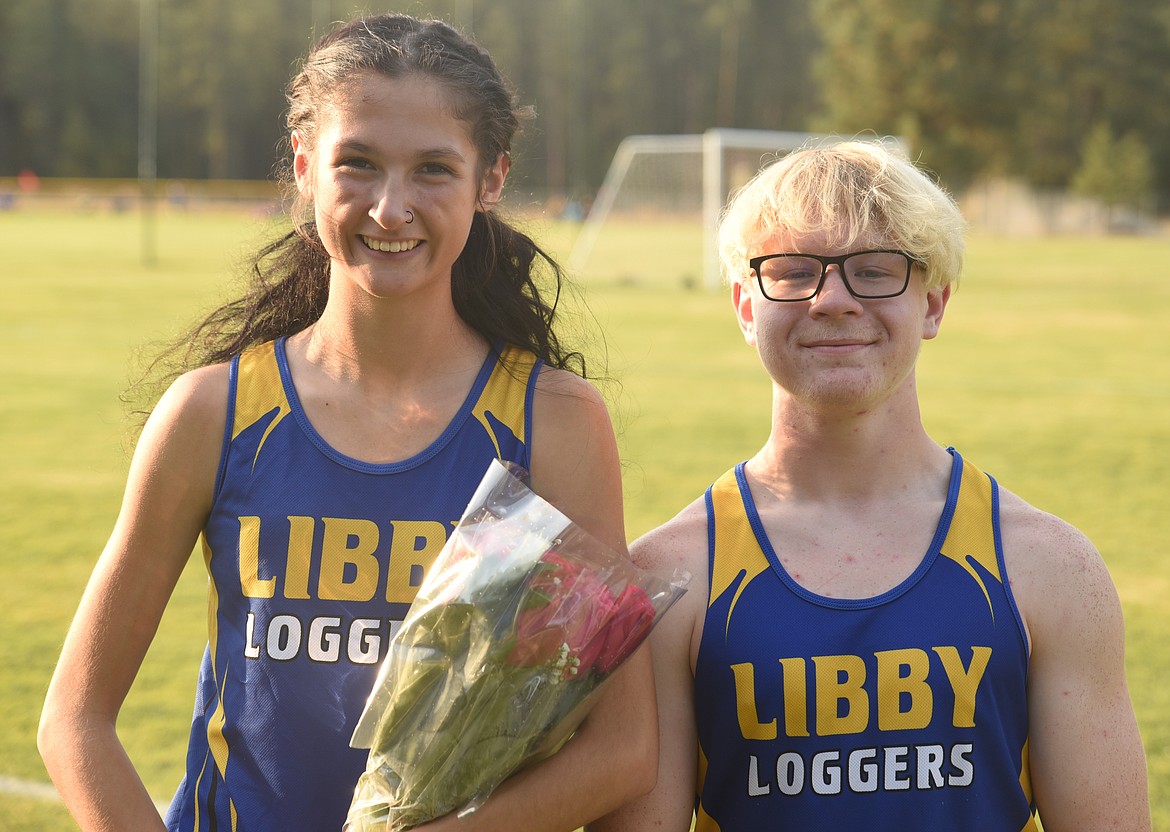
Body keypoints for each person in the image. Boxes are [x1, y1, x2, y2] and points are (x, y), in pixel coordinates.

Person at [38, 15, 656, 832]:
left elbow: (622, 750)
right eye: (357, 163)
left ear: (490, 180)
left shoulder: (554, 423)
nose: (390, 208)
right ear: (304, 167)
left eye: (434, 169)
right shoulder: (212, 413)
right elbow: (76, 722)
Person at [589, 140, 1151, 831]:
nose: (832, 299)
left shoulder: (1053, 569)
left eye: (875, 271)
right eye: (792, 272)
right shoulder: (670, 579)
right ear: (744, 306)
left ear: (935, 304)